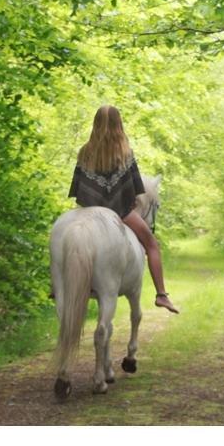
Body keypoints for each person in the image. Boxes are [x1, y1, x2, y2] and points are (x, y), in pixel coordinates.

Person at [67, 105, 179, 314]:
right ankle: (162, 295)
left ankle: (57, 285)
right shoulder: (125, 151)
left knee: (65, 236)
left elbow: (79, 190)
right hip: (120, 213)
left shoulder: (84, 151)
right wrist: (125, 206)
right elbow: (136, 190)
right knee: (152, 244)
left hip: (89, 213)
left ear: (96, 123)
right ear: (119, 124)